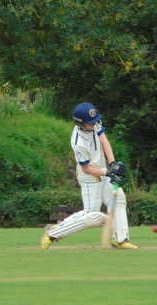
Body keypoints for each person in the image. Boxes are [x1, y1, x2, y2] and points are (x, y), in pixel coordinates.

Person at [41, 102, 139, 250]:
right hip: (89, 179)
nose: (93, 124)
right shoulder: (77, 142)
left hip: (103, 171)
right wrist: (107, 172)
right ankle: (53, 234)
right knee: (92, 216)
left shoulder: (94, 125)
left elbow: (104, 141)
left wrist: (112, 163)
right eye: (90, 123)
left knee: (119, 197)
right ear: (80, 123)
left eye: (94, 121)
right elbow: (86, 169)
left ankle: (121, 239)